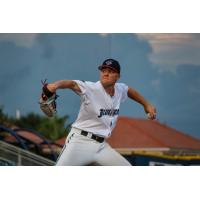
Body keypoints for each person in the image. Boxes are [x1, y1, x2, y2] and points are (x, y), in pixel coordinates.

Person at [45, 58, 156, 166]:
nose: (106, 74)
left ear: (118, 76)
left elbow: (129, 90)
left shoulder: (119, 89)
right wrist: (55, 86)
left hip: (101, 146)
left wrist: (146, 104)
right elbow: (72, 84)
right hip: (79, 142)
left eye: (110, 71)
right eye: (103, 71)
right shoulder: (91, 88)